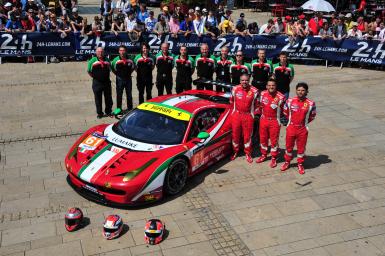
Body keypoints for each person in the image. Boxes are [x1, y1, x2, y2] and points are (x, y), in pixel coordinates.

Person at [281, 82, 316, 174]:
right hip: (291, 127)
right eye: (299, 90)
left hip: (302, 129)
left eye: (303, 90)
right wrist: (290, 122)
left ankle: (300, 164)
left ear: (306, 91)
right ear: (296, 91)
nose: (300, 92)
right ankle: (287, 162)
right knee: (289, 147)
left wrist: (304, 123)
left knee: (301, 148)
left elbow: (312, 116)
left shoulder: (311, 103)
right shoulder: (289, 101)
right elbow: (285, 112)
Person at [255, 78, 285, 168]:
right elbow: (259, 106)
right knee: (263, 139)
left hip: (275, 121)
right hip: (263, 120)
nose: (271, 87)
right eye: (269, 85)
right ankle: (263, 155)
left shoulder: (281, 97)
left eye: (273, 85)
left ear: (276, 86)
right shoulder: (262, 94)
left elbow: (285, 110)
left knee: (274, 141)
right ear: (266, 86)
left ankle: (273, 158)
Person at [230, 74, 259, 163]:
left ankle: (248, 153)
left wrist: (254, 116)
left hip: (248, 116)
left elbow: (257, 105)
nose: (244, 82)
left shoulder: (254, 91)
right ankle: (235, 151)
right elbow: (231, 101)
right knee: (235, 135)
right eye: (242, 80)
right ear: (240, 81)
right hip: (237, 115)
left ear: (249, 80)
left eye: (246, 80)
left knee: (247, 136)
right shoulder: (235, 89)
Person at [87, 47, 113, 119]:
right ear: (96, 52)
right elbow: (89, 71)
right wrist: (96, 77)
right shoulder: (92, 60)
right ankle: (100, 113)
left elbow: (110, 69)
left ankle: (108, 111)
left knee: (108, 98)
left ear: (104, 52)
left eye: (101, 52)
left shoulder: (107, 60)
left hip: (106, 82)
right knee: (98, 99)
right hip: (97, 83)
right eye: (98, 52)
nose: (100, 53)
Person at [111, 45, 135, 112]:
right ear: (119, 51)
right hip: (119, 79)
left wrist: (128, 73)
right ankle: (119, 109)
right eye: (121, 50)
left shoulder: (130, 59)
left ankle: (130, 108)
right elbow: (113, 68)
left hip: (128, 79)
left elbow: (133, 67)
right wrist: (118, 75)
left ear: (126, 51)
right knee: (119, 95)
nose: (122, 52)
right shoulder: (115, 60)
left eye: (123, 50)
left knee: (129, 94)